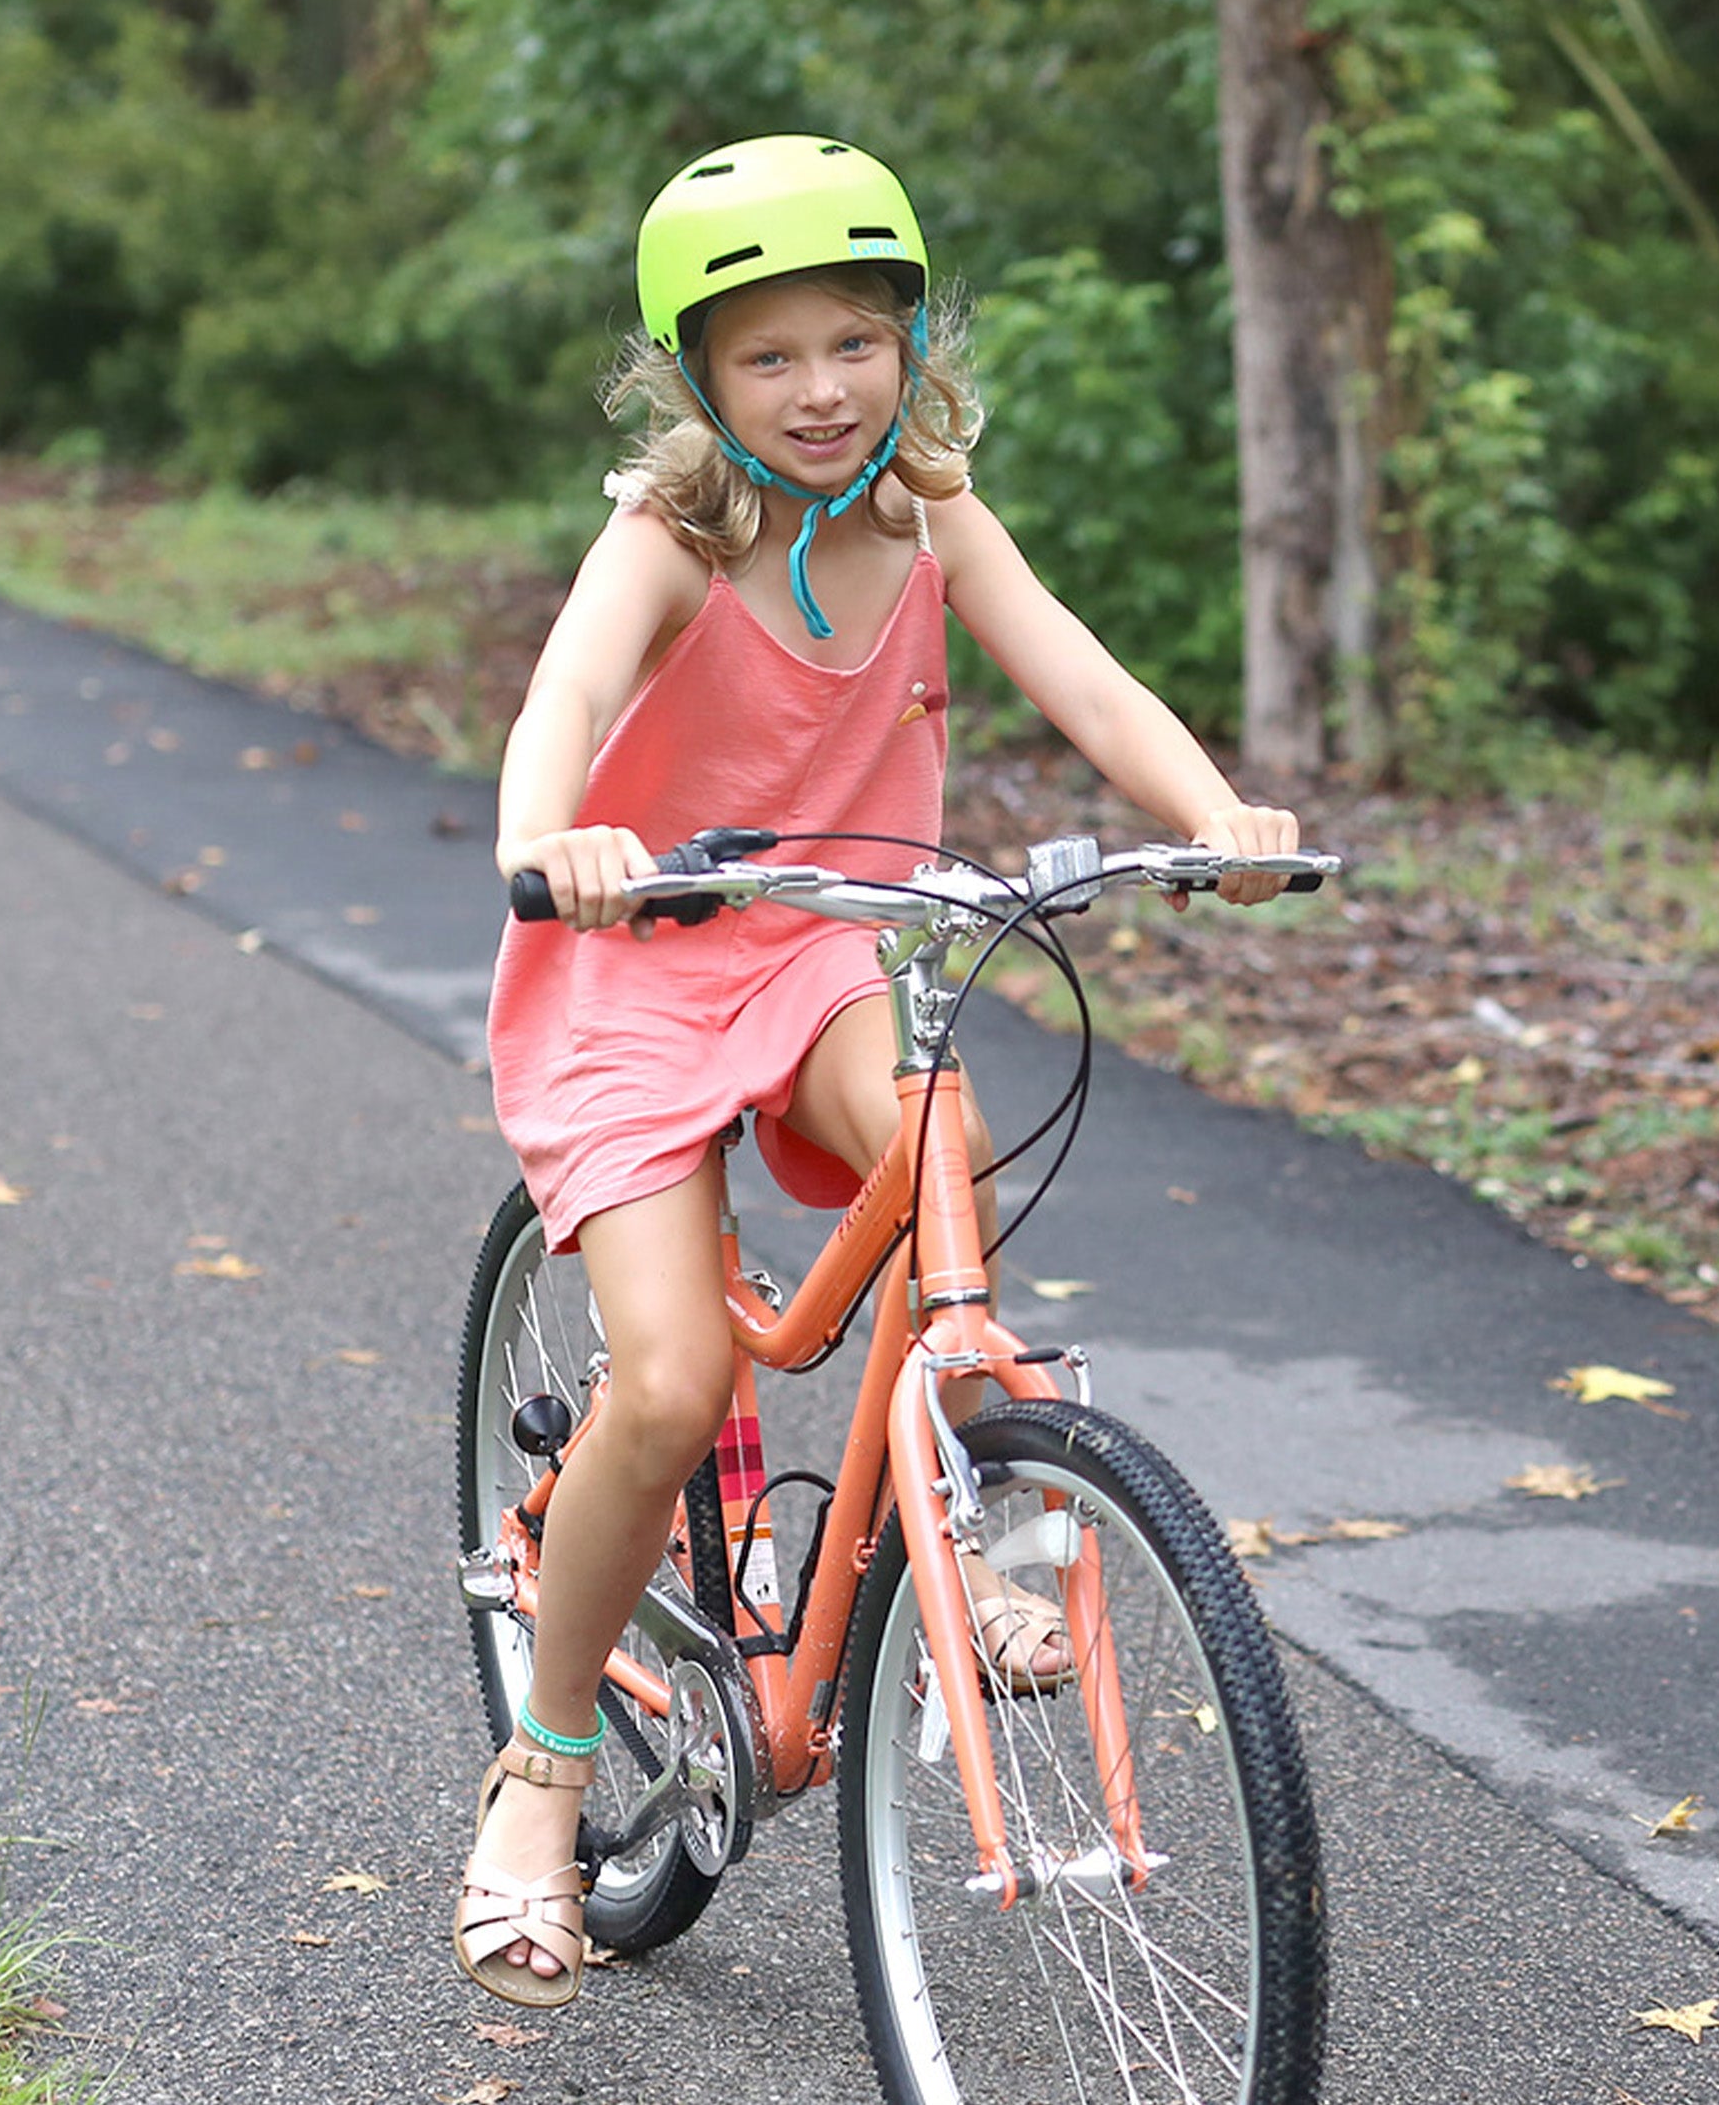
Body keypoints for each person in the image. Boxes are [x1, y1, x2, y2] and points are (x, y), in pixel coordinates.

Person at [457, 132, 1303, 2009]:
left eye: (857, 341)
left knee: (950, 1139)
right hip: (641, 957)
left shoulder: (929, 514)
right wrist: (556, 840)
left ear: (912, 343)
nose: (825, 390)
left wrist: (1211, 811)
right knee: (670, 1384)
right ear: (696, 378)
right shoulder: (670, 538)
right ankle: (545, 1772)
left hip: (838, 938)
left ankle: (952, 1525)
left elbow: (1082, 681)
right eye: (770, 358)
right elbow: (566, 707)